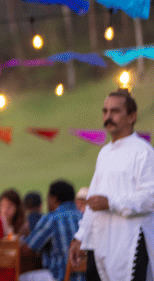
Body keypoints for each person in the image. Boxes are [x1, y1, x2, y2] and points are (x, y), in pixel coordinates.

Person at [70, 89, 154, 281]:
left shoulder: (143, 152)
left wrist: (112, 203)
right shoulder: (104, 154)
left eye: (115, 111)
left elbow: (150, 197)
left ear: (132, 116)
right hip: (101, 243)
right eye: (105, 111)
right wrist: (81, 237)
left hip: (130, 242)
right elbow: (94, 200)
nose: (108, 117)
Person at [22, 180, 83, 281]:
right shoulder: (83, 217)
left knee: (20, 278)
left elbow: (27, 249)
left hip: (59, 277)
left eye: (48, 198)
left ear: (54, 199)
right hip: (85, 278)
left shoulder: (52, 219)